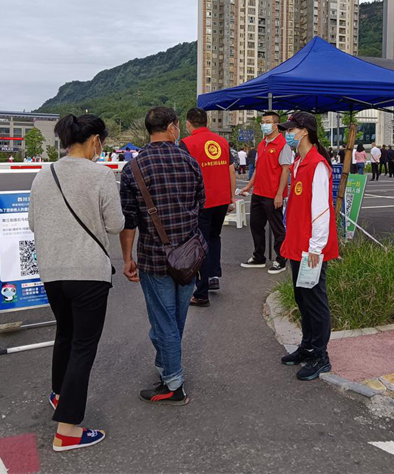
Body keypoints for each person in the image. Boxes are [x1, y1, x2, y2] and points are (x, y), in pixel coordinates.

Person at [28, 114, 124, 452]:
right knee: (84, 346)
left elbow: (33, 222)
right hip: (88, 273)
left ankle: (59, 395)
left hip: (52, 272)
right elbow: (115, 224)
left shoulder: (44, 174)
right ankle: (67, 430)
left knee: (65, 334)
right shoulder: (102, 174)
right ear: (95, 140)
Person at [120, 106, 206, 406]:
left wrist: (127, 258)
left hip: (154, 257)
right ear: (172, 128)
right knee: (174, 320)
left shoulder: (133, 168)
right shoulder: (190, 161)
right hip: (189, 257)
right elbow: (200, 202)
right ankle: (165, 367)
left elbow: (129, 220)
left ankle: (173, 383)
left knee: (164, 321)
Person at [277, 112, 339, 381]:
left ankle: (321, 356)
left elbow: (322, 210)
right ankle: (307, 345)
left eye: (291, 130)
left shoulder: (317, 164)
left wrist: (316, 248)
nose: (287, 134)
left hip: (311, 248)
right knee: (302, 298)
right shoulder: (298, 162)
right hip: (297, 243)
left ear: (304, 132)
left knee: (315, 301)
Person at [180, 108, 235, 306]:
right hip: (221, 199)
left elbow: (183, 176)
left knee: (200, 244)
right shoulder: (222, 142)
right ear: (207, 122)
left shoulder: (187, 143)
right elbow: (230, 170)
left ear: (188, 123)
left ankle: (201, 293)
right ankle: (213, 276)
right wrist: (231, 197)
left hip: (201, 202)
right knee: (214, 237)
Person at [238, 111, 292, 274]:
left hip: (273, 194)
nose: (264, 125)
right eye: (263, 122)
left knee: (277, 228)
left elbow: (285, 170)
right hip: (258, 192)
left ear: (276, 125)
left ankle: (281, 259)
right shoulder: (262, 144)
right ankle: (258, 257)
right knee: (256, 225)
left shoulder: (283, 145)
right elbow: (258, 169)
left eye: (267, 122)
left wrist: (279, 194)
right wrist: (249, 186)